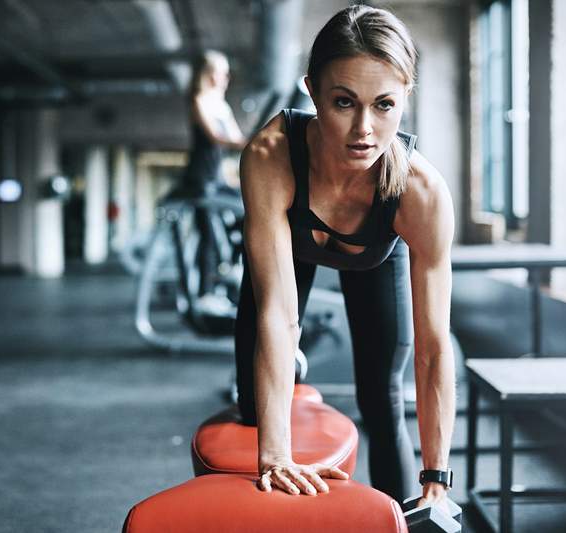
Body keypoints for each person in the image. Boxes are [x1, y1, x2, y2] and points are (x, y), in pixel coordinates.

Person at [234, 4, 456, 510]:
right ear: (311, 91)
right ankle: (293, 369)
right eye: (342, 102)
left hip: (375, 259)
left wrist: (437, 478)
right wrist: (276, 456)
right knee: (254, 408)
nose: (363, 129)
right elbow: (278, 314)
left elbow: (433, 347)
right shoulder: (270, 156)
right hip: (289, 252)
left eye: (384, 105)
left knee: (382, 398)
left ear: (406, 97)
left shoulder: (421, 192)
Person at [179, 50, 246, 298]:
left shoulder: (222, 105)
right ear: (208, 74)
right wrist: (249, 143)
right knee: (207, 235)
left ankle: (230, 270)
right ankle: (204, 294)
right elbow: (218, 138)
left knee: (248, 216)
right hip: (200, 177)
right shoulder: (199, 100)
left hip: (217, 177)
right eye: (222, 72)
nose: (226, 78)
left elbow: (237, 138)